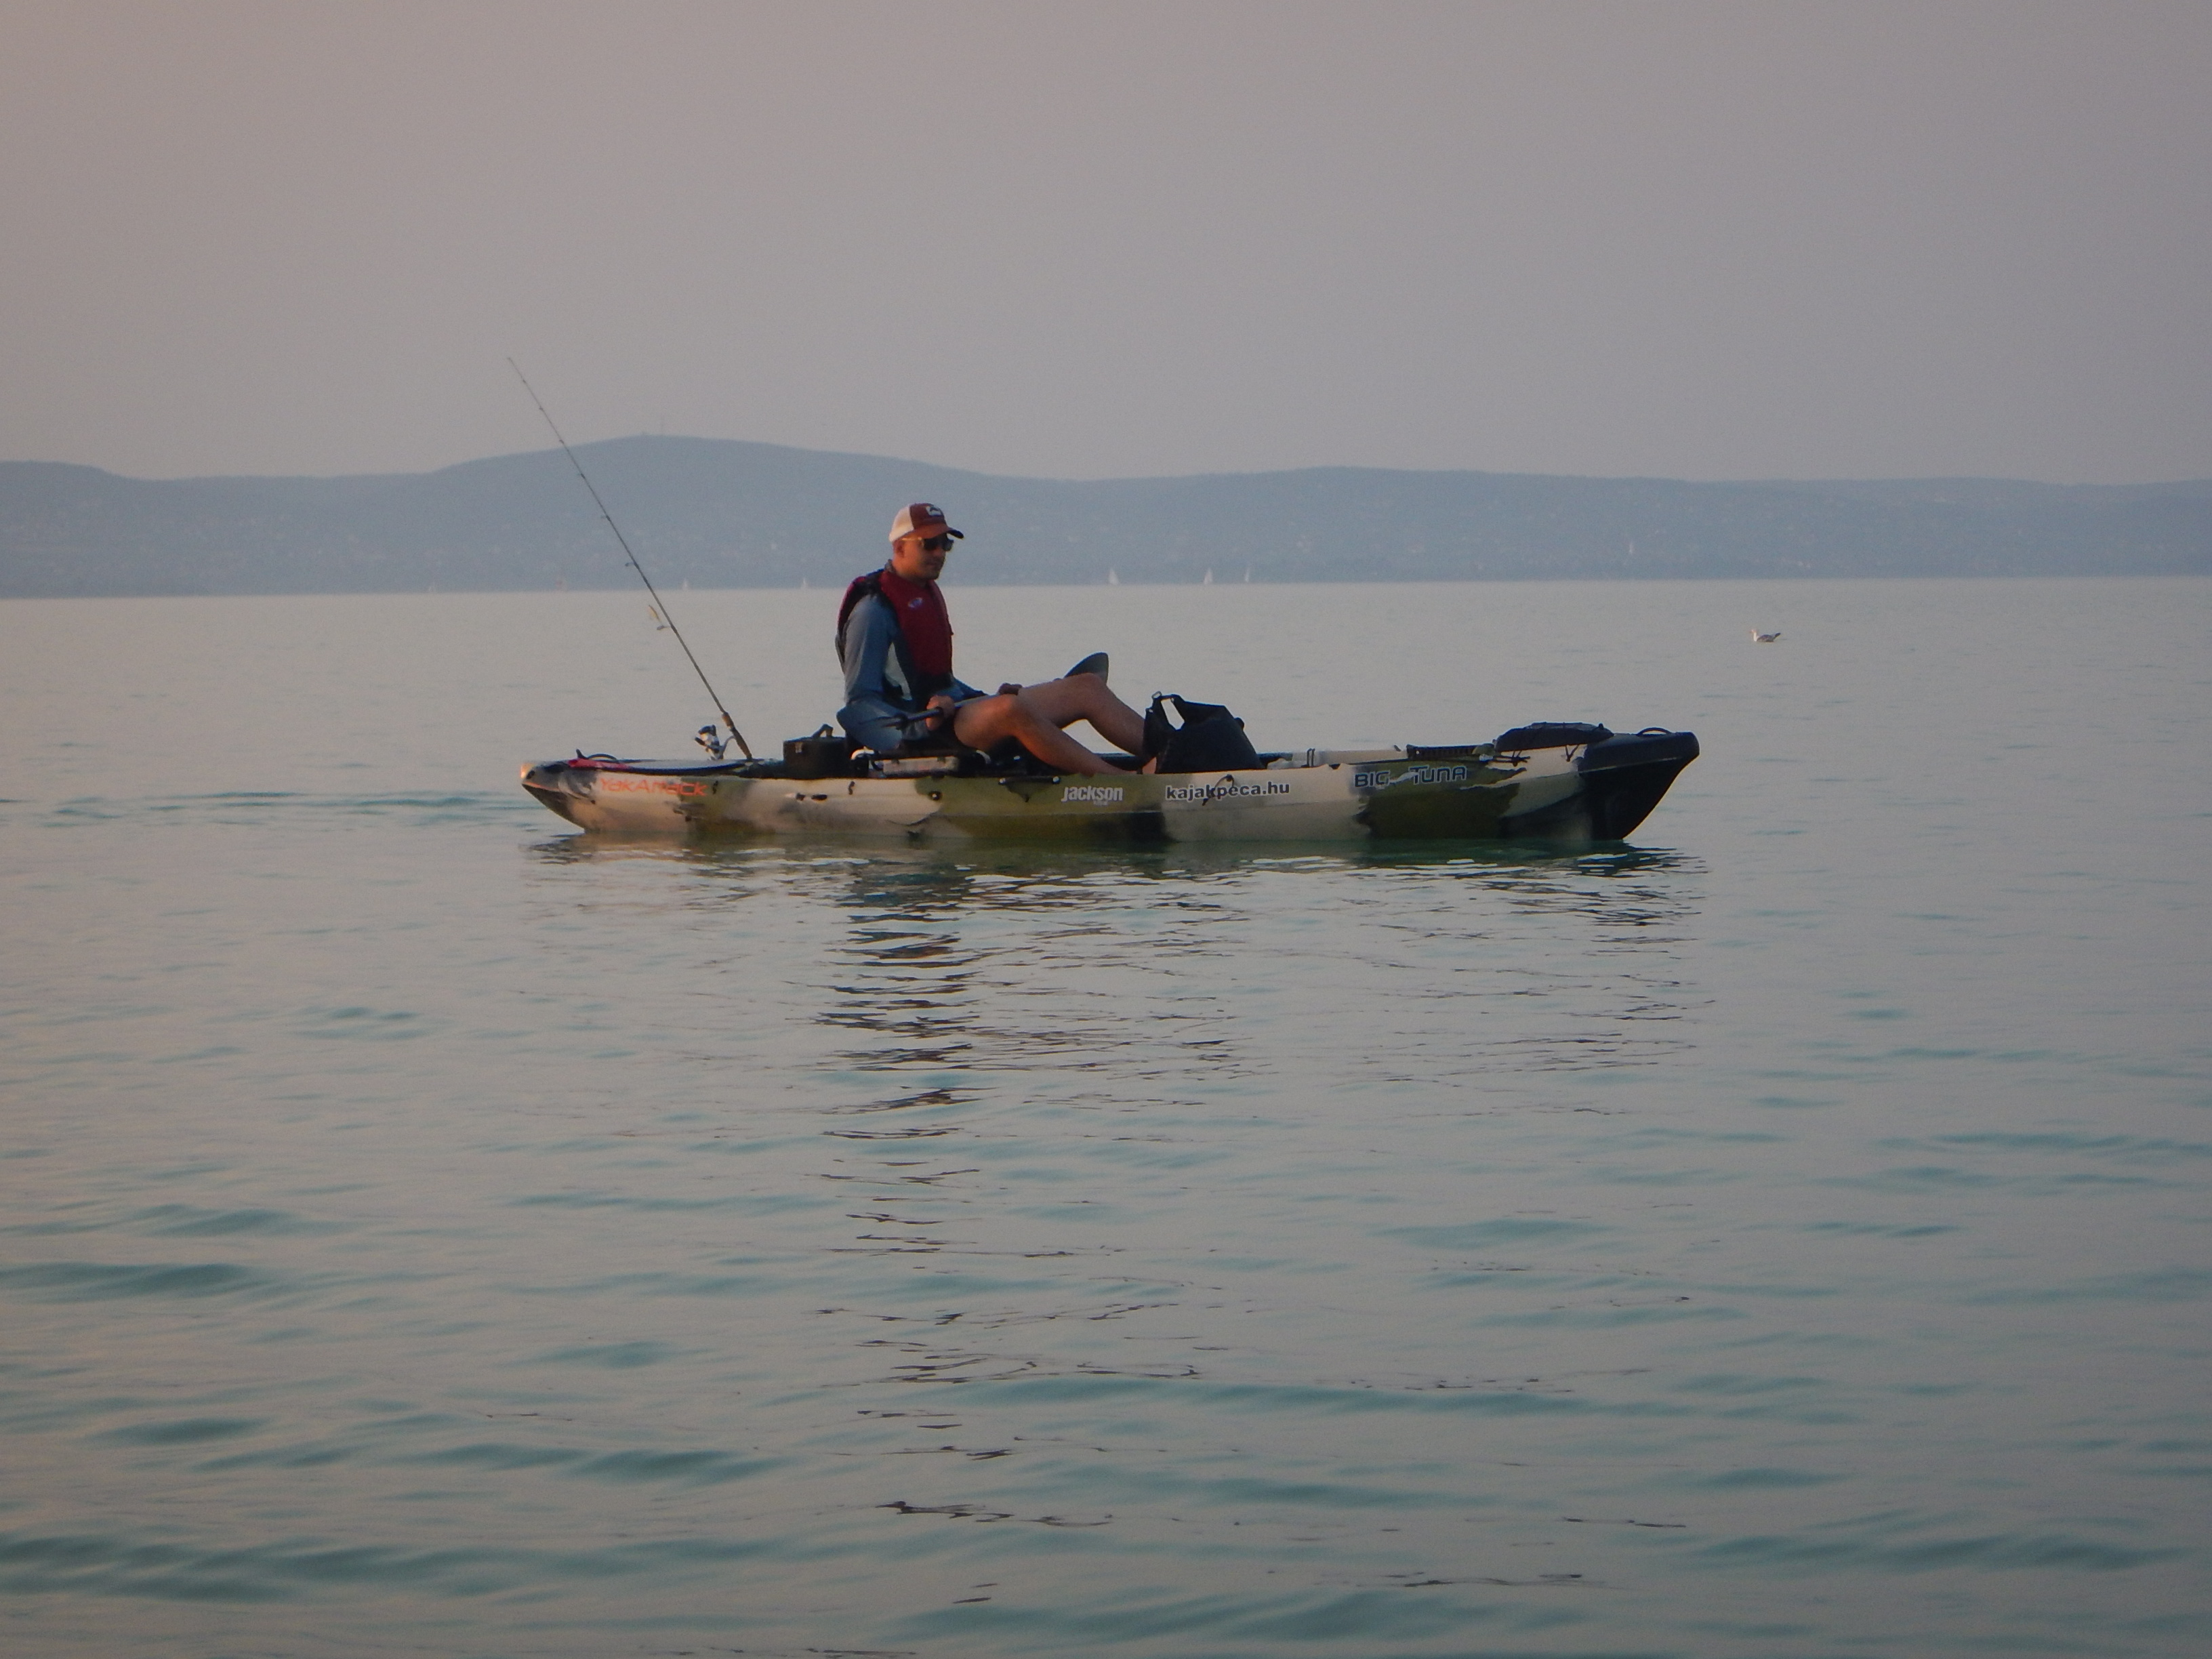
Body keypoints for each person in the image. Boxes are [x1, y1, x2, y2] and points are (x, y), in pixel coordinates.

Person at [836, 503, 1150, 775]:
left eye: (945, 544)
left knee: (1086, 687)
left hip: (955, 714)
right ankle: (1124, 781)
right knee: (1009, 711)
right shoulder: (872, 613)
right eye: (928, 543)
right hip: (921, 733)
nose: (939, 553)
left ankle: (1175, 757)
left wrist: (981, 696)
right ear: (900, 547)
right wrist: (920, 725)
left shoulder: (925, 593)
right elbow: (859, 704)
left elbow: (937, 680)